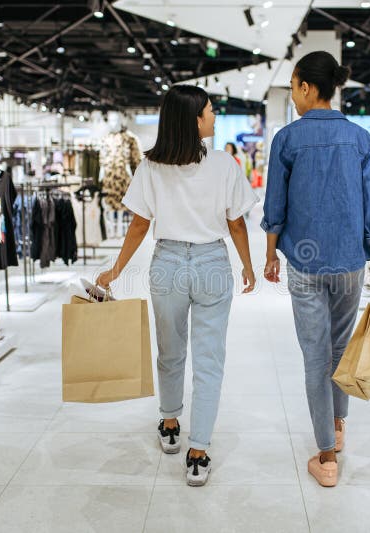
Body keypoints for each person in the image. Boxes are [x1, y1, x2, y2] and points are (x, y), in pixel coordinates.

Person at [96, 85, 259, 487]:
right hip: (211, 263)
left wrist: (117, 269)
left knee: (170, 350)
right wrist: (247, 266)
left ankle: (170, 424)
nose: (214, 115)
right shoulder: (223, 164)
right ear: (194, 120)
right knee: (209, 361)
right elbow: (236, 222)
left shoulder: (152, 166)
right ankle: (198, 450)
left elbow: (139, 223)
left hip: (167, 263)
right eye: (209, 110)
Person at [261, 51, 370, 488]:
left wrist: (268, 256)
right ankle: (338, 428)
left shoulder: (287, 139)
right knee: (340, 351)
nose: (295, 96)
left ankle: (325, 457)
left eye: (295, 87)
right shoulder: (359, 140)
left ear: (304, 87)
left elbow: (275, 208)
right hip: (349, 265)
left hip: (304, 264)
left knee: (315, 358)